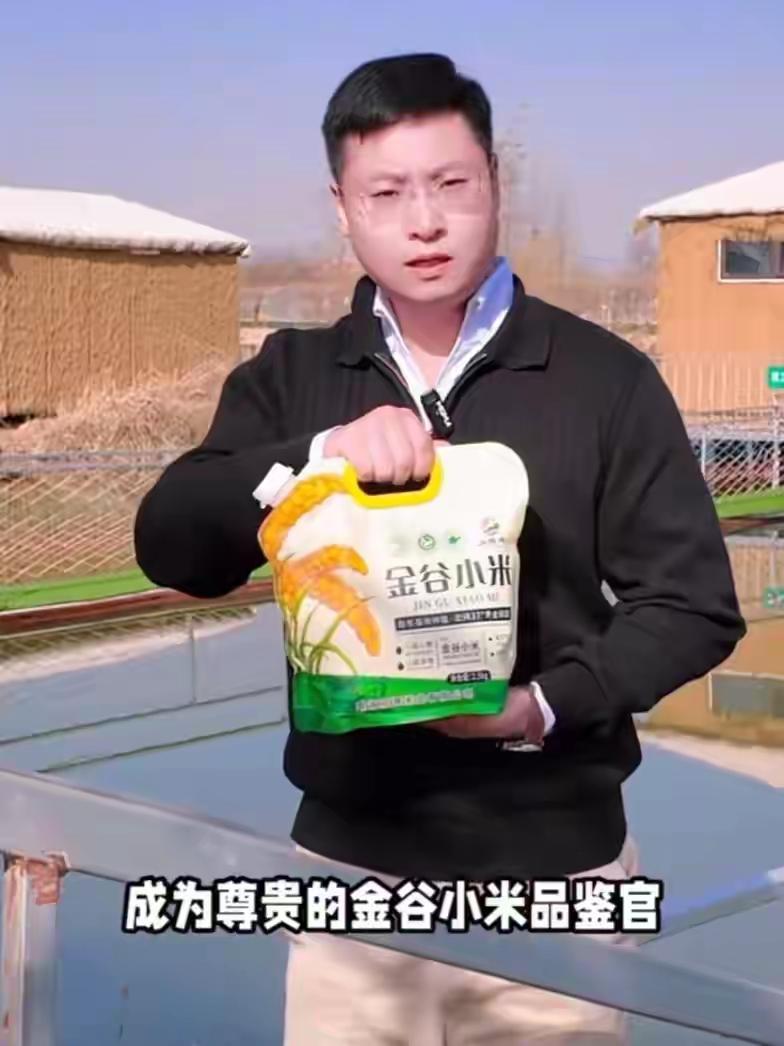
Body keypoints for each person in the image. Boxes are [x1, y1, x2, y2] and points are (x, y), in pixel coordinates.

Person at [134, 53, 746, 1044]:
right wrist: (318, 457)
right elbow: (172, 545)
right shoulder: (294, 375)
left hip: (556, 877)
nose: (423, 221)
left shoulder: (605, 378)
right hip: (351, 882)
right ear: (343, 208)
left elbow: (691, 605)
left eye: (450, 183)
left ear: (494, 183)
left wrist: (540, 706)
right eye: (385, 193)